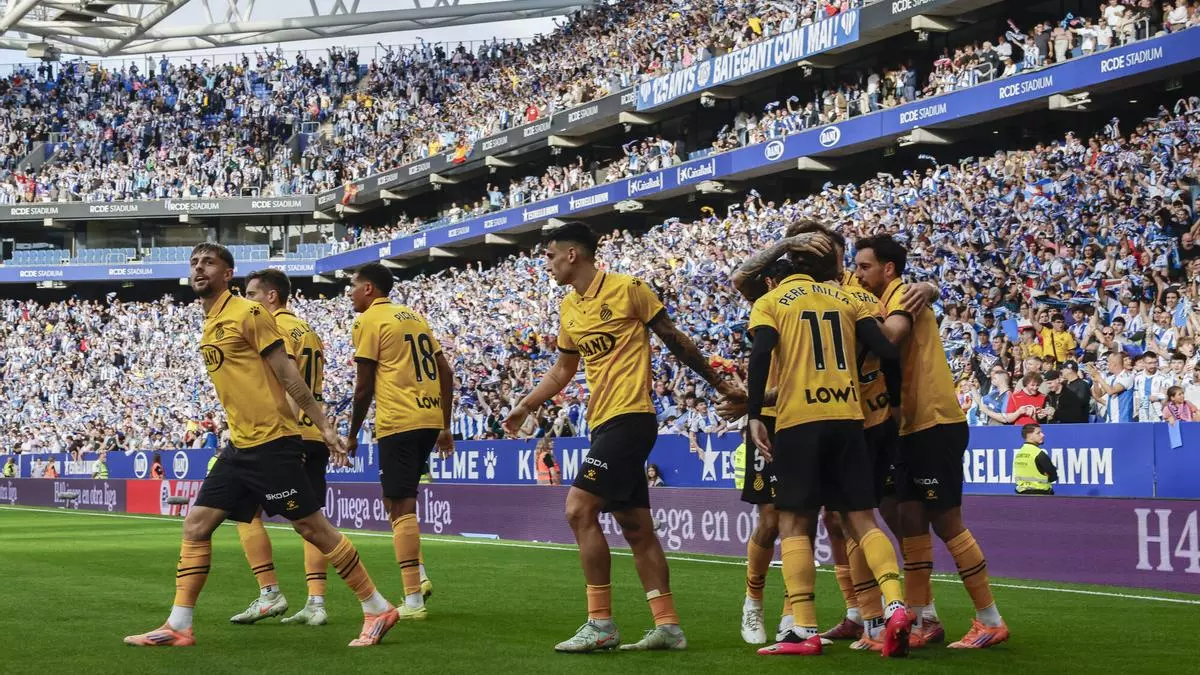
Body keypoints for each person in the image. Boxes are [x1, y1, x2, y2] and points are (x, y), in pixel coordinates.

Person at [123, 242, 398, 649]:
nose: (199, 269)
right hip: (240, 445)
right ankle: (179, 626)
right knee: (196, 525)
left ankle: (377, 607)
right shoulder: (212, 321)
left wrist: (323, 426)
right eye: (194, 263)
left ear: (227, 274)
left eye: (209, 263)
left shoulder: (249, 313)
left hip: (272, 442)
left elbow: (289, 375)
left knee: (312, 527)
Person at [502, 222, 744, 653]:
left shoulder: (629, 289)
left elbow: (674, 339)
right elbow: (563, 370)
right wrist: (526, 404)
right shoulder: (569, 308)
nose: (548, 265)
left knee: (578, 509)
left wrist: (720, 384)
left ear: (573, 254)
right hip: (602, 422)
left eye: (551, 256)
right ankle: (668, 627)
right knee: (636, 527)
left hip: (632, 418)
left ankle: (601, 623)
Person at [746, 242, 912, 658]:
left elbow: (761, 353)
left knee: (794, 523)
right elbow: (887, 349)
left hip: (799, 420)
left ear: (779, 277)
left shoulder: (771, 301)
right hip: (848, 418)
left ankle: (802, 630)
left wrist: (754, 414)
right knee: (862, 519)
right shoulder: (847, 298)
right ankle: (895, 605)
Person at [854, 234, 1009, 649]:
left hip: (935, 421)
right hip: (910, 426)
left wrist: (928, 287)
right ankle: (923, 619)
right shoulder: (886, 296)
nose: (858, 274)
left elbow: (888, 339)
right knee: (910, 519)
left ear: (888, 268)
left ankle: (990, 619)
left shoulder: (902, 295)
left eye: (865, 266)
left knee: (946, 521)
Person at [222, 268, 334, 627]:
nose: (247, 301)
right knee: (312, 521)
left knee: (245, 512)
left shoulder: (273, 327)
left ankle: (269, 592)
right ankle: (316, 602)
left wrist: (288, 434)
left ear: (272, 296)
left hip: (284, 436)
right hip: (313, 436)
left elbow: (289, 382)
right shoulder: (307, 329)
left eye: (252, 294)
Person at [347, 261, 455, 622]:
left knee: (401, 503)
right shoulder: (414, 317)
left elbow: (363, 387)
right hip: (428, 419)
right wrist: (445, 424)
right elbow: (446, 371)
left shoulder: (369, 320)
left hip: (399, 419)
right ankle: (419, 575)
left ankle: (413, 599)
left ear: (368, 289)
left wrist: (352, 433)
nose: (349, 293)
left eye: (352, 286)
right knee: (396, 502)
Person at [1013, 424, 1058, 495]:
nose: (1042, 435)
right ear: (1029, 436)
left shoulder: (1019, 454)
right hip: (1040, 495)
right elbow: (1053, 476)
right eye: (1038, 433)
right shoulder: (1039, 454)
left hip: (1021, 495)